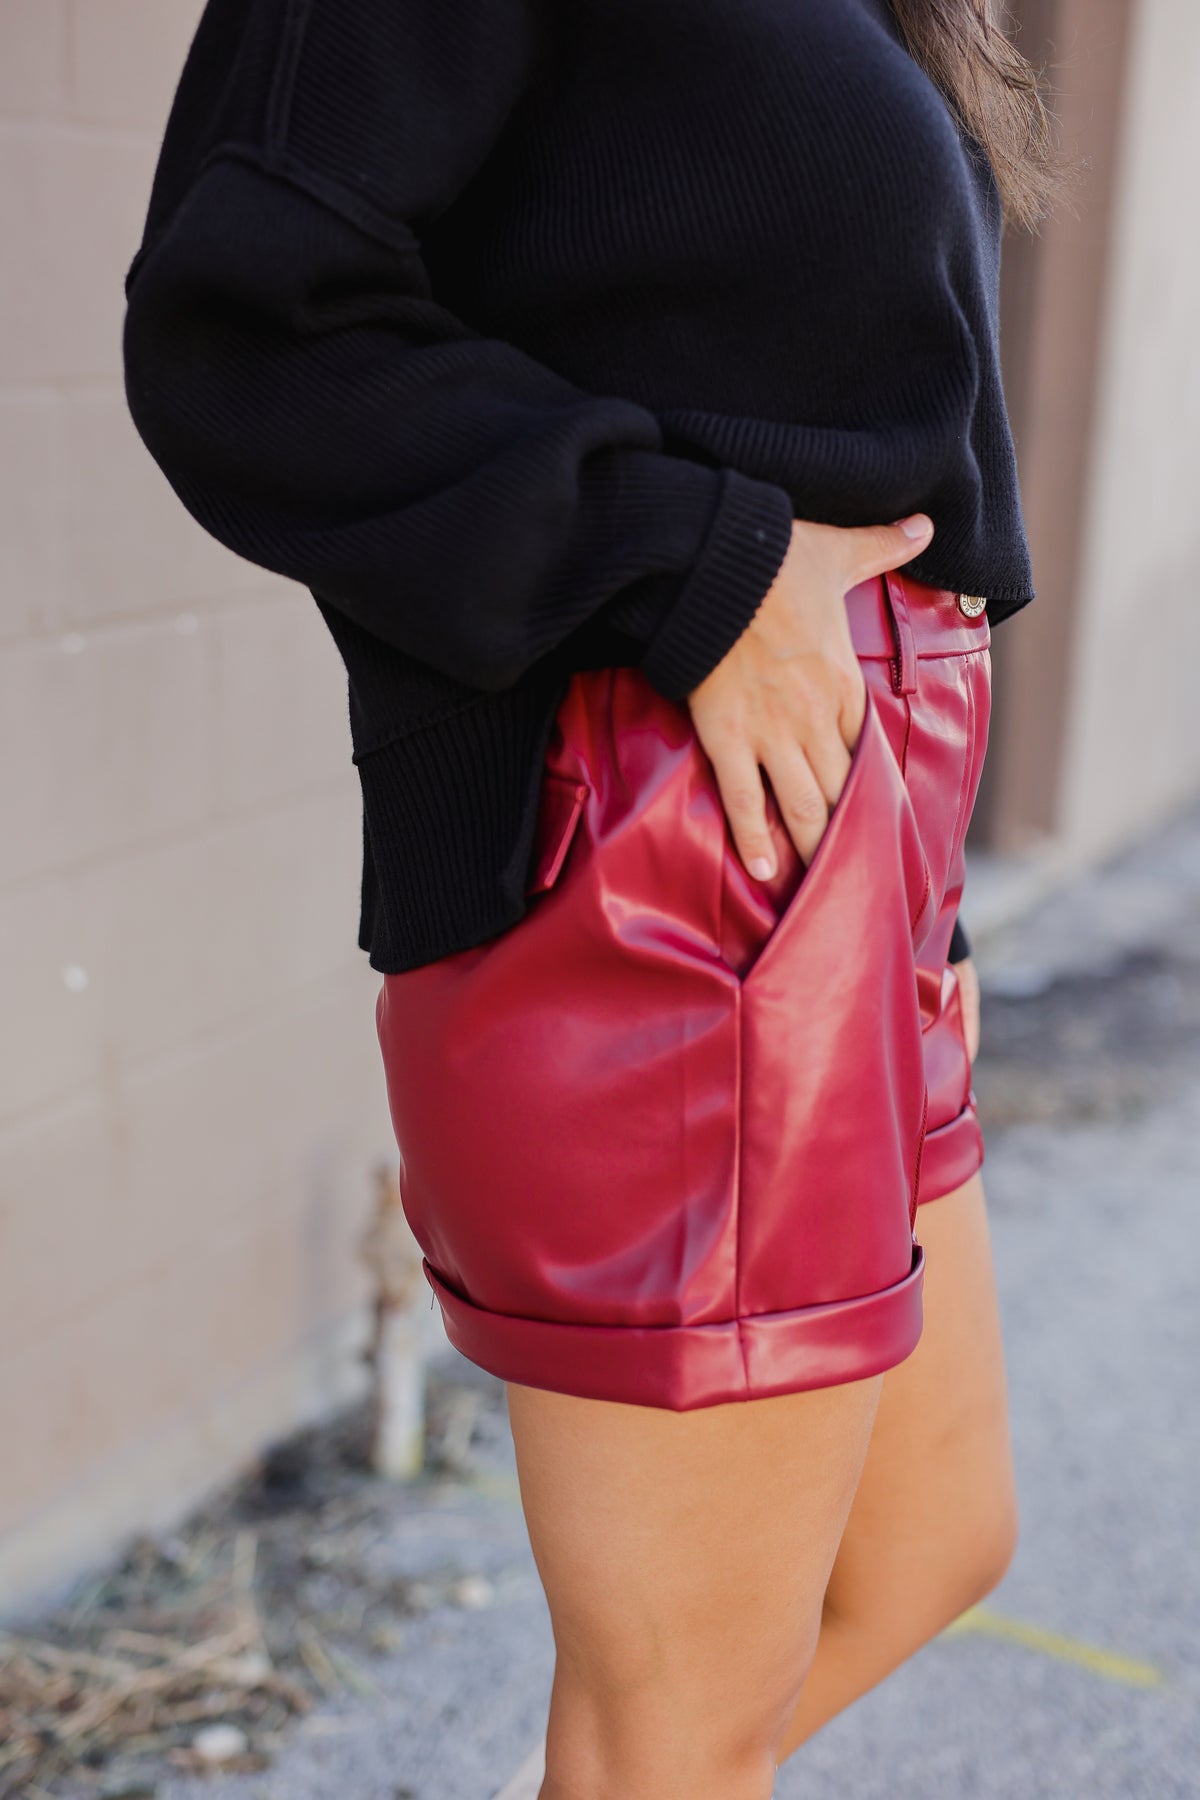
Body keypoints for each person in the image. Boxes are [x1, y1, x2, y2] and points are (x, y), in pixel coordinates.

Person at [122, 2, 1074, 1793]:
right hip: (682, 835)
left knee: (929, 1545)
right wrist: (680, 564)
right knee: (676, 1732)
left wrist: (917, 895)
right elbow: (246, 330)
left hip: (849, 819)